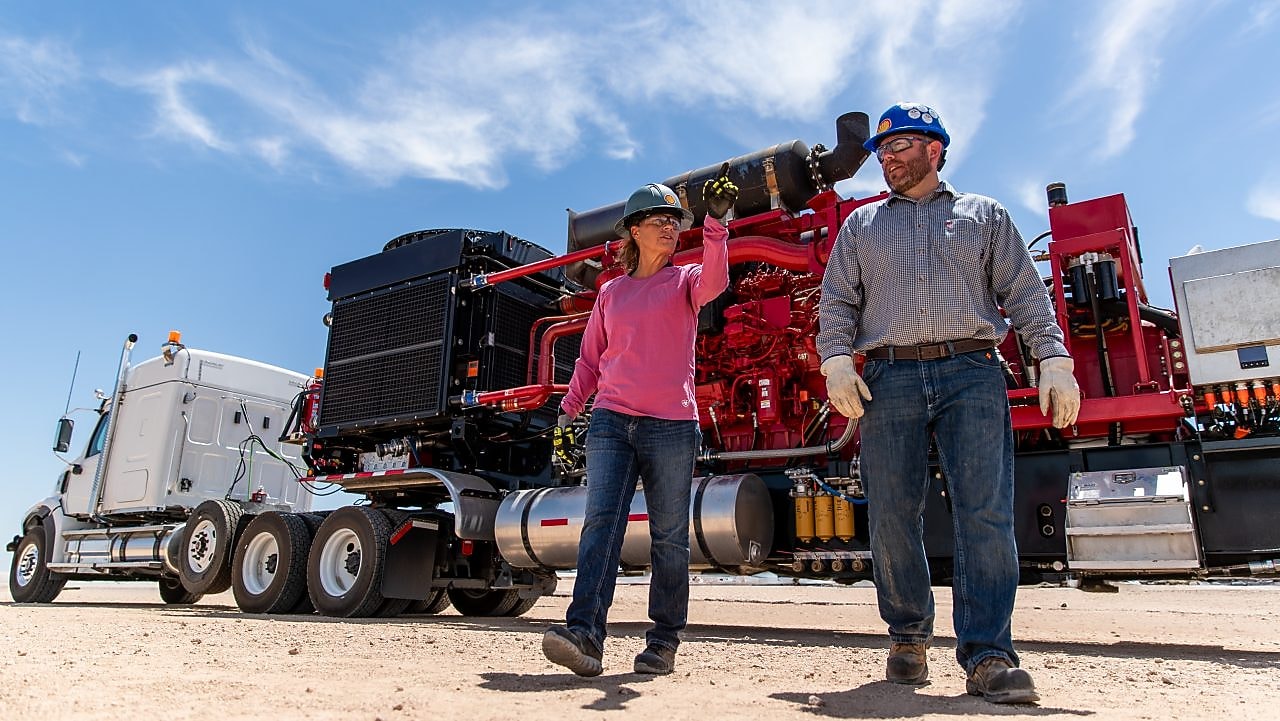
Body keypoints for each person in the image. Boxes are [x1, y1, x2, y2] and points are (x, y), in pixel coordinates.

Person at [816, 102, 1081, 704]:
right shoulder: (861, 226)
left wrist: (1054, 359)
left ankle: (988, 654)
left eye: (900, 146)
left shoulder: (983, 215)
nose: (886, 157)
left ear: (935, 149)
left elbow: (1025, 292)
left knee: (984, 510)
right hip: (891, 377)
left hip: (972, 371)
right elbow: (837, 300)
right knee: (889, 512)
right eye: (881, 150)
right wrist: (836, 359)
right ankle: (908, 634)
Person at [542, 168, 738, 677]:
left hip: (671, 426)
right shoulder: (610, 293)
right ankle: (584, 633)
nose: (670, 228)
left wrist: (716, 224)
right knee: (601, 526)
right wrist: (567, 413)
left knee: (669, 537)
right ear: (633, 230)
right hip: (611, 421)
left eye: (675, 220)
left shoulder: (687, 281)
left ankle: (664, 639)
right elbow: (589, 361)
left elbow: (718, 280)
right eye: (658, 220)